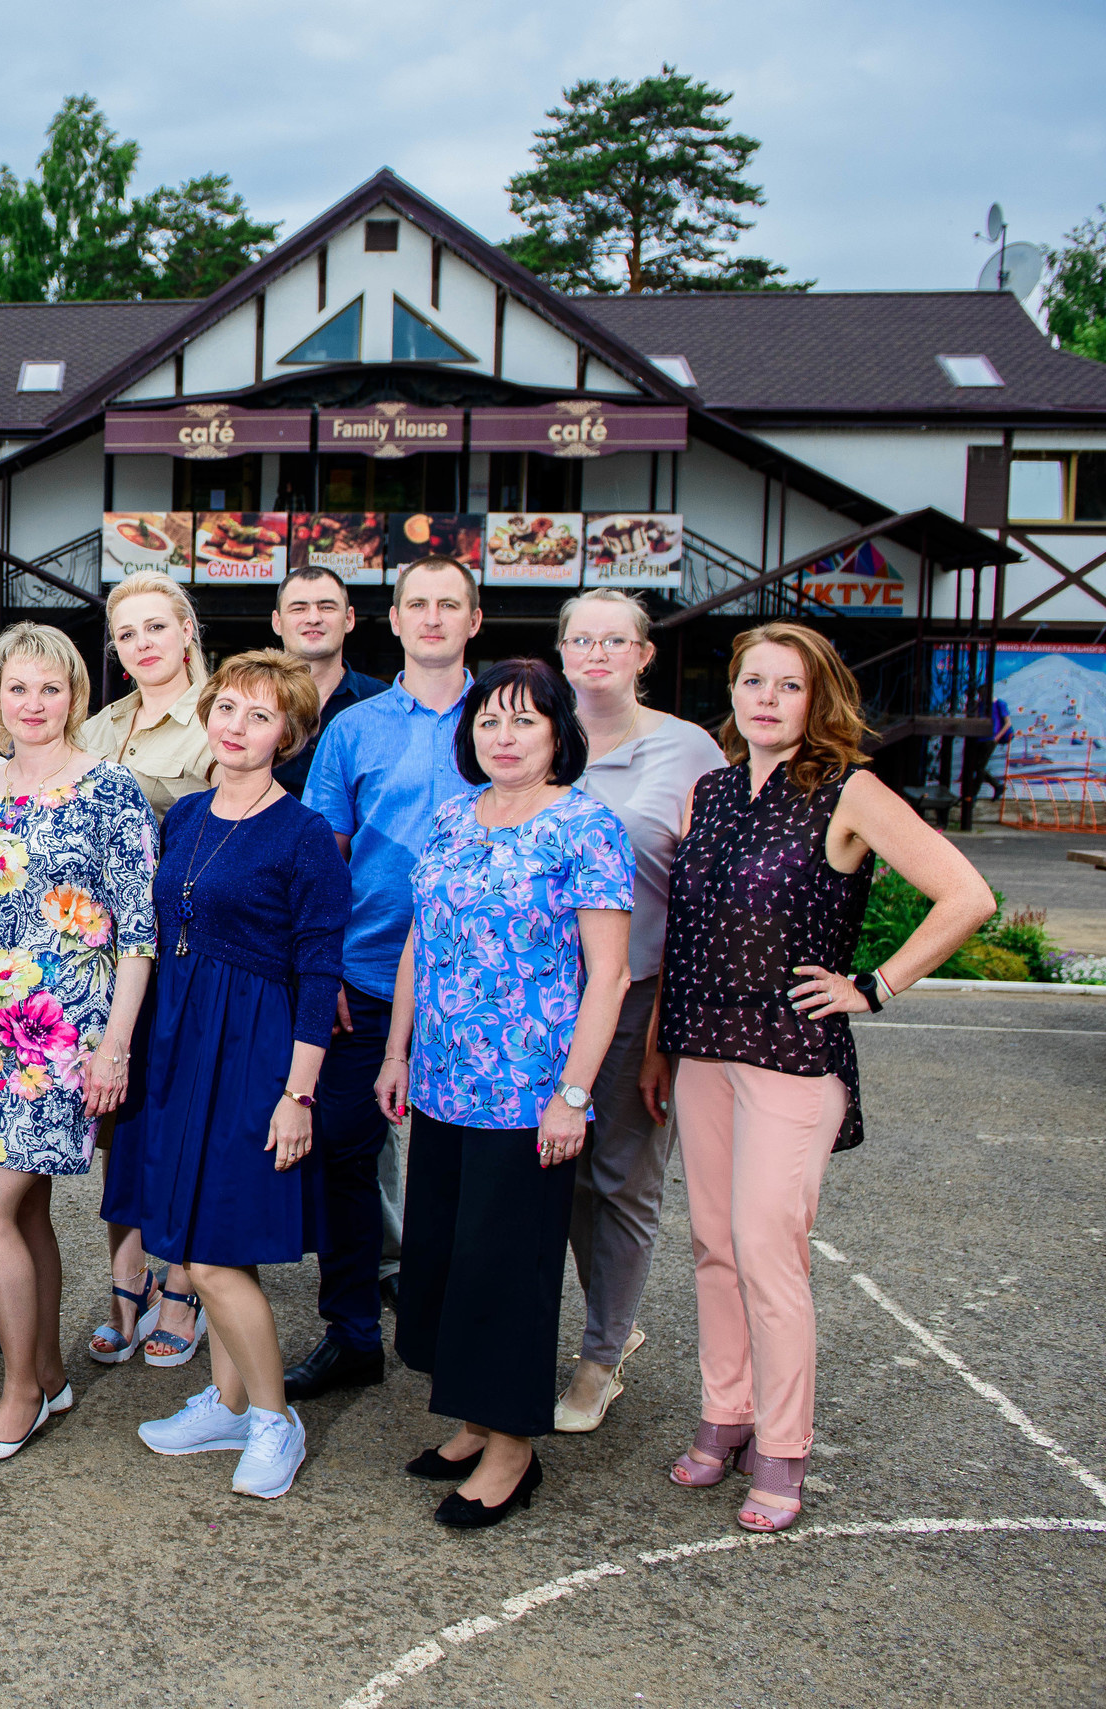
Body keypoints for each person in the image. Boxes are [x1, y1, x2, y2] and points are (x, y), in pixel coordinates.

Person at [657, 622, 993, 1533]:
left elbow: (968, 895)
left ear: (820, 699)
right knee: (715, 1247)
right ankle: (726, 1413)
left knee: (770, 1251)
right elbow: (685, 932)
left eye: (788, 685)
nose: (765, 698)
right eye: (751, 681)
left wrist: (874, 986)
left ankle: (783, 1447)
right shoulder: (710, 790)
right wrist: (659, 1043)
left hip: (794, 1056)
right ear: (731, 693)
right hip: (701, 1049)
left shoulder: (853, 790)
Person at [376, 658, 634, 1530]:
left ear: (559, 731)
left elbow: (611, 975)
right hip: (444, 1084)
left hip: (528, 1095)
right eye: (490, 720)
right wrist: (396, 1050)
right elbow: (421, 941)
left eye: (524, 720)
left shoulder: (587, 827)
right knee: (444, 1262)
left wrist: (572, 1092)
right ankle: (475, 1417)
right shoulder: (454, 818)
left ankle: (514, 1449)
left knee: (507, 1270)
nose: (504, 736)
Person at [128, 651, 348, 1501]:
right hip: (182, 1037)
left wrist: (297, 1094)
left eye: (260, 716)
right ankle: (225, 1401)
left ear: (287, 734)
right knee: (186, 1238)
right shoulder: (185, 815)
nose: (237, 726)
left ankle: (273, 1418)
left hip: (255, 1048)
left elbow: (319, 970)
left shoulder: (304, 834)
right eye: (227, 707)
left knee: (218, 1254)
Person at [0, 622, 157, 1464]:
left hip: (65, 1038)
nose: (34, 704)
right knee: (23, 1209)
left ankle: (21, 1393)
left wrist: (115, 1048)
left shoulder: (111, 790)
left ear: (76, 695)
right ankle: (53, 1372)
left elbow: (137, 934)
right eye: (18, 687)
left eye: (52, 687)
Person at [289, 554, 481, 1403]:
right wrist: (321, 966)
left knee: (467, 1168)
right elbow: (328, 862)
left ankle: (453, 1339)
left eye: (451, 604)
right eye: (418, 604)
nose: (433, 617)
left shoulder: (507, 720)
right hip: (364, 978)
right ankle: (353, 1331)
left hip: (483, 992)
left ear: (474, 620)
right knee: (343, 1153)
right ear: (394, 620)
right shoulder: (355, 729)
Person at [548, 589, 727, 1433]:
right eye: (580, 638)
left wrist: (665, 1034)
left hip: (636, 991)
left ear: (643, 654)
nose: (596, 652)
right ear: (561, 650)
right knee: (566, 1176)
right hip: (536, 1000)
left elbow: (700, 896)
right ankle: (612, 1320)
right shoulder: (541, 737)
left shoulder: (688, 749)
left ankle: (599, 1359)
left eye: (614, 639)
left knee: (622, 1180)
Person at [78, 570, 211, 1370]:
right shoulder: (97, 727)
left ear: (187, 629)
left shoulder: (220, 717)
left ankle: (184, 1283)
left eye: (156, 627)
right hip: (106, 953)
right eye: (127, 634)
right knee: (118, 1124)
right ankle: (124, 1278)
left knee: (184, 1120)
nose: (142, 645)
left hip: (192, 950)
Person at [268, 565, 386, 797]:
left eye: (327, 607)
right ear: (277, 622)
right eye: (299, 608)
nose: (313, 618)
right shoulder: (250, 699)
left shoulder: (382, 702)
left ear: (349, 619)